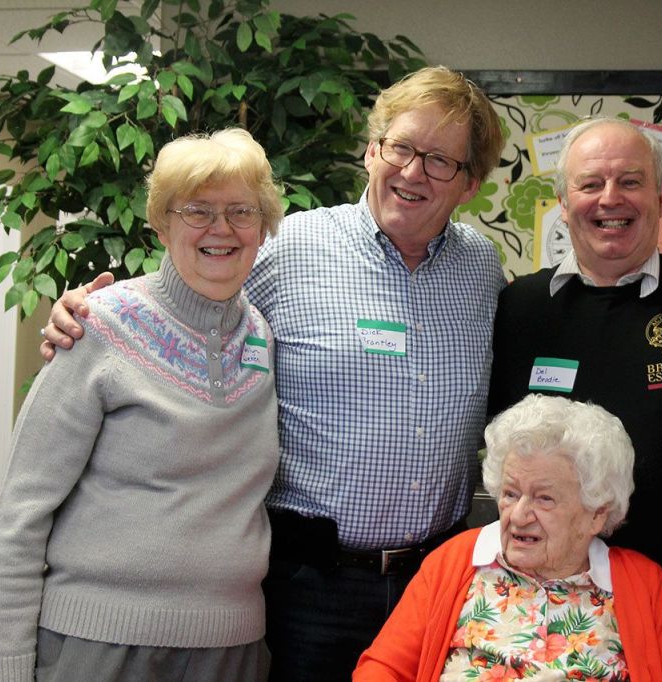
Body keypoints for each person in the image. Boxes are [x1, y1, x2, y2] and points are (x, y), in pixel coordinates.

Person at [40, 66, 506, 679]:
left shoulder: (483, 273)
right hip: (305, 586)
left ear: (470, 183)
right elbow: (181, 303)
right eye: (401, 147)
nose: (413, 172)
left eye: (440, 161)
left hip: (437, 584)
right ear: (372, 150)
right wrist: (88, 308)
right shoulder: (288, 248)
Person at [0, 129, 283, 682]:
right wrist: (3, 665)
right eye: (197, 210)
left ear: (264, 226)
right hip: (98, 648)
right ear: (162, 223)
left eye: (242, 210)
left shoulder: (260, 336)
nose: (221, 228)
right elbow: (23, 512)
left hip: (232, 650)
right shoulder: (97, 324)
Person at [487, 116, 662, 669]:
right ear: (562, 199)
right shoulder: (521, 310)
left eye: (630, 181)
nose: (610, 199)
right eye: (590, 184)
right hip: (540, 605)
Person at [353, 394, 662, 681]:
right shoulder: (455, 561)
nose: (519, 515)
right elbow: (381, 668)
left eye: (544, 499)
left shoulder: (642, 583)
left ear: (597, 514)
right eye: (510, 493)